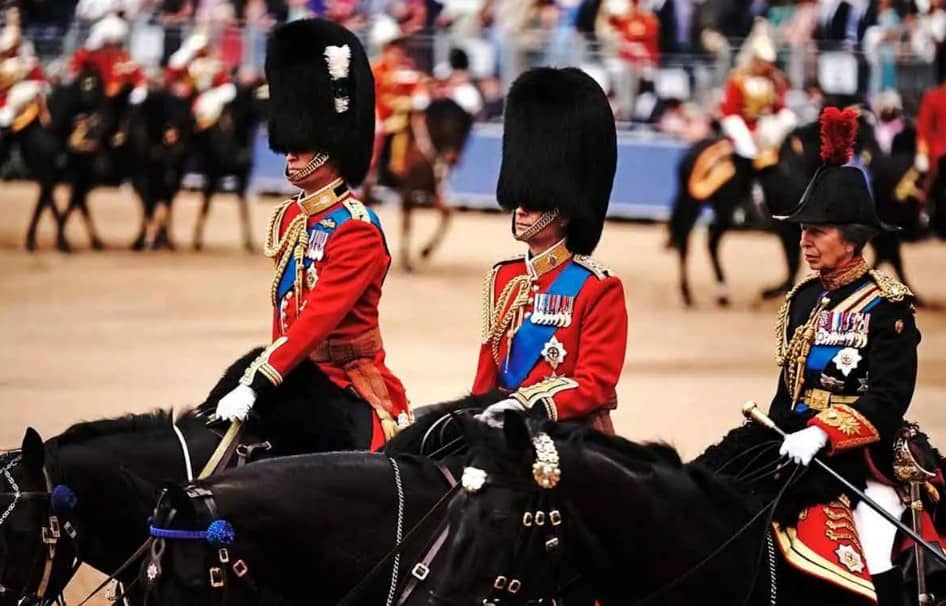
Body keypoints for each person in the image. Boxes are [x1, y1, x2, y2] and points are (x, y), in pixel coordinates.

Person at [704, 107, 925, 606]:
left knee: (874, 543)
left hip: (863, 457)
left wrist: (824, 432)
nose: (804, 241)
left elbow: (888, 400)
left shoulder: (887, 306)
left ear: (852, 239)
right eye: (803, 230)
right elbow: (789, 393)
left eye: (817, 231)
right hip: (793, 441)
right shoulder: (803, 298)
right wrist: (775, 435)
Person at [214, 18, 410, 451]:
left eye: (302, 142)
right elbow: (283, 322)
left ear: (332, 146)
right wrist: (266, 371)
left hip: (343, 387)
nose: (291, 150)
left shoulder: (356, 229)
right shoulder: (292, 219)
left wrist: (263, 380)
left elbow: (314, 321)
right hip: (294, 373)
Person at [473, 67, 627, 434]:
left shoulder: (597, 288)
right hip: (501, 426)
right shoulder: (504, 277)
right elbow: (486, 374)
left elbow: (594, 385)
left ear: (564, 211)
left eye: (536, 202)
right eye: (520, 199)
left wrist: (527, 404)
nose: (522, 209)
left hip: (567, 431)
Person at [720, 18, 796, 168]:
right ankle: (748, 161)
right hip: (742, 122)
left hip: (765, 124)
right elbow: (731, 111)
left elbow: (778, 106)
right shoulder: (738, 80)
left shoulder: (773, 80)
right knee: (739, 133)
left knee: (788, 119)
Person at [164, 29, 237, 131]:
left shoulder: (215, 66)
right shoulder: (186, 65)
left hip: (207, 104)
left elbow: (227, 87)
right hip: (186, 105)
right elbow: (171, 74)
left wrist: (213, 96)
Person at [0, 7, 47, 132]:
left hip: (21, 98)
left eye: (18, 15)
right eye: (12, 15)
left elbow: (39, 79)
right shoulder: (4, 57)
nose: (16, 18)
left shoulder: (27, 49)